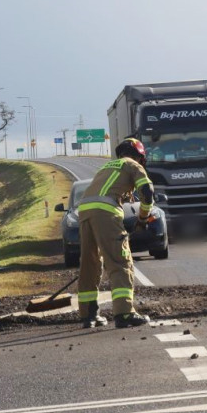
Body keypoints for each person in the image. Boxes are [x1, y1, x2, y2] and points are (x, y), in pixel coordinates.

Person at [77, 138, 155, 328]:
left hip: (85, 211)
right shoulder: (132, 165)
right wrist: (143, 218)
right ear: (139, 156)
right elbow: (147, 191)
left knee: (90, 263)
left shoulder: (107, 167)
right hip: (106, 212)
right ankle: (124, 313)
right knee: (120, 261)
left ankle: (89, 315)